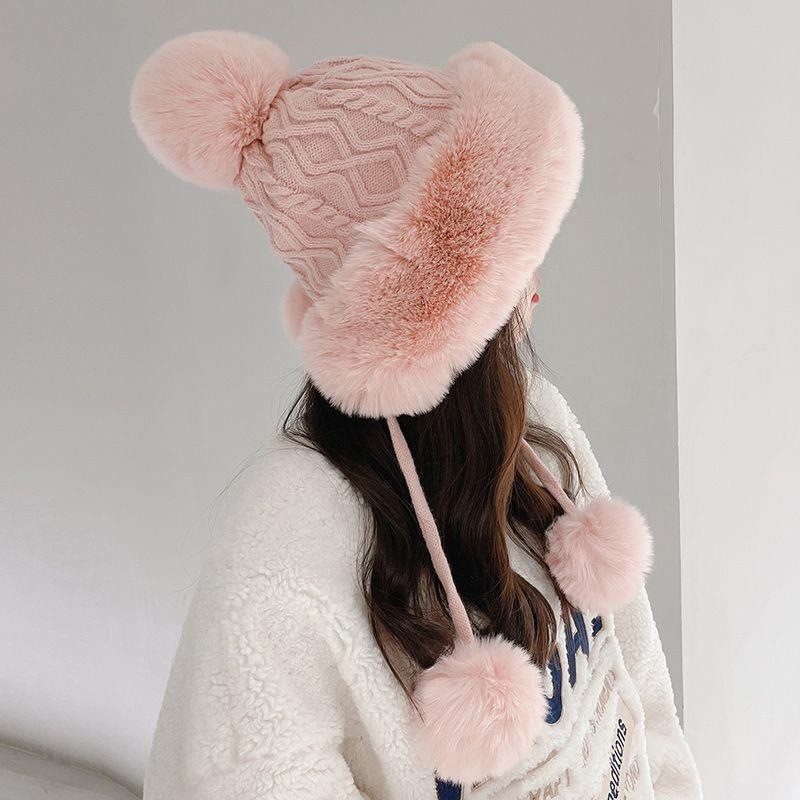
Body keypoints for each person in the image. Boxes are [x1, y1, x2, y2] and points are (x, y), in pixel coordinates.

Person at [131, 31, 701, 800]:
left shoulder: (534, 422)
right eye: (504, 258)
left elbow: (639, 685)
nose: (535, 286)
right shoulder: (284, 539)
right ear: (431, 300)